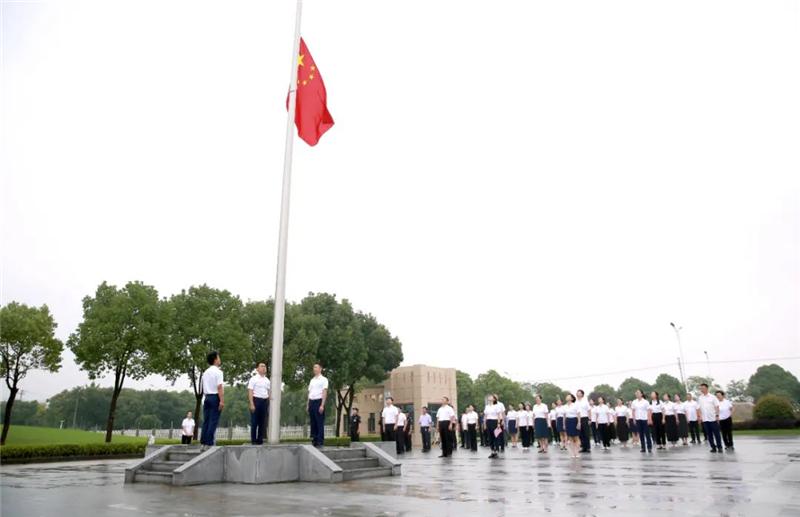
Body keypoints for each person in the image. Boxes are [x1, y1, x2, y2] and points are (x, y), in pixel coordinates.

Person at [200, 351, 224, 449]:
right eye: (219, 357)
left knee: (206, 421)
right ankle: (209, 443)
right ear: (215, 359)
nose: (220, 359)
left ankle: (203, 442)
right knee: (213, 421)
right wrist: (222, 400)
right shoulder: (218, 372)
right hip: (215, 397)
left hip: (207, 397)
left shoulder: (205, 372)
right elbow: (219, 387)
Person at [247, 361, 271, 445]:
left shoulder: (267, 380)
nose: (264, 368)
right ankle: (253, 440)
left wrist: (269, 401)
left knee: (262, 422)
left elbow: (268, 392)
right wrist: (251, 403)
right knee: (254, 422)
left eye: (265, 366)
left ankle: (260, 440)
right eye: (262, 366)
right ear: (257, 368)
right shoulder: (253, 379)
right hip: (256, 401)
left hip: (264, 402)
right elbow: (250, 391)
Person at [307, 362, 328, 447]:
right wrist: (308, 404)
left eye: (316, 367)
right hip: (312, 402)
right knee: (313, 422)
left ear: (320, 369)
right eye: (314, 367)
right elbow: (309, 392)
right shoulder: (312, 380)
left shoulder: (324, 379)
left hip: (319, 402)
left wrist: (322, 405)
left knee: (319, 422)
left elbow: (324, 392)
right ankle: (314, 439)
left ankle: (320, 441)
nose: (314, 369)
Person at [697, 383, 723, 453]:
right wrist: (699, 417)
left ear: (706, 388)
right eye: (701, 388)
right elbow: (698, 408)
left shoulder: (712, 397)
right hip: (705, 419)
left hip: (713, 418)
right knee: (709, 435)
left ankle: (719, 447)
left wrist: (717, 416)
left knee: (717, 434)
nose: (701, 389)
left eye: (702, 388)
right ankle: (713, 447)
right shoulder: (700, 398)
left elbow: (717, 406)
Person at [632, 389, 653, 453]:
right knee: (640, 434)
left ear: (641, 394)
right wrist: (634, 419)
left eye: (638, 393)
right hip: (638, 419)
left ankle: (649, 447)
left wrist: (649, 419)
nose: (637, 394)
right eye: (636, 393)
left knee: (647, 434)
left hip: (645, 419)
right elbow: (633, 411)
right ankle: (643, 448)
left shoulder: (645, 402)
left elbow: (649, 411)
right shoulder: (634, 402)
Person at [484, 394, 503, 459]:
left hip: (495, 422)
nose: (489, 397)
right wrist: (484, 424)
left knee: (496, 437)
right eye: (489, 396)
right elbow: (485, 416)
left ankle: (496, 451)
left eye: (491, 397)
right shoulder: (487, 406)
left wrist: (498, 423)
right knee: (490, 437)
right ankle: (492, 451)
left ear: (494, 399)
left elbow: (498, 415)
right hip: (488, 422)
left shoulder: (496, 406)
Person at [563, 393, 580, 458]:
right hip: (568, 421)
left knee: (576, 438)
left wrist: (579, 423)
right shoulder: (564, 406)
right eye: (567, 396)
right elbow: (564, 416)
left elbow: (578, 414)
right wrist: (564, 424)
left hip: (574, 420)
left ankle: (577, 452)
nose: (567, 397)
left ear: (572, 398)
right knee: (570, 438)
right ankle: (573, 453)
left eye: (568, 396)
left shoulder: (575, 405)